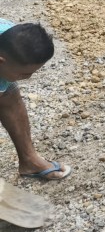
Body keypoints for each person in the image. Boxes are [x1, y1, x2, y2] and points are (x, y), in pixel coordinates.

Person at [0, 19, 71, 180]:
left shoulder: (8, 33)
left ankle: (29, 161)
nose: (29, 78)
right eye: (24, 73)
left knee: (9, 94)